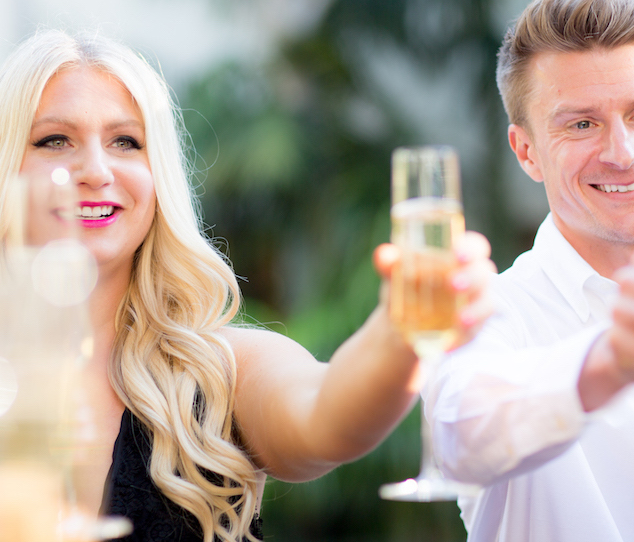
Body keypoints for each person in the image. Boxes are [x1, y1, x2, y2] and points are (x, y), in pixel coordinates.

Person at [0, 28, 495, 542]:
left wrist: (400, 328)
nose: (96, 170)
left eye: (126, 141)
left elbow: (326, 415)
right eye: (54, 140)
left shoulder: (220, 373)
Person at [425, 0, 634, 541]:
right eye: (582, 123)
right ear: (526, 151)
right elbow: (462, 436)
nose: (624, 153)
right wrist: (610, 360)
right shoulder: (488, 315)